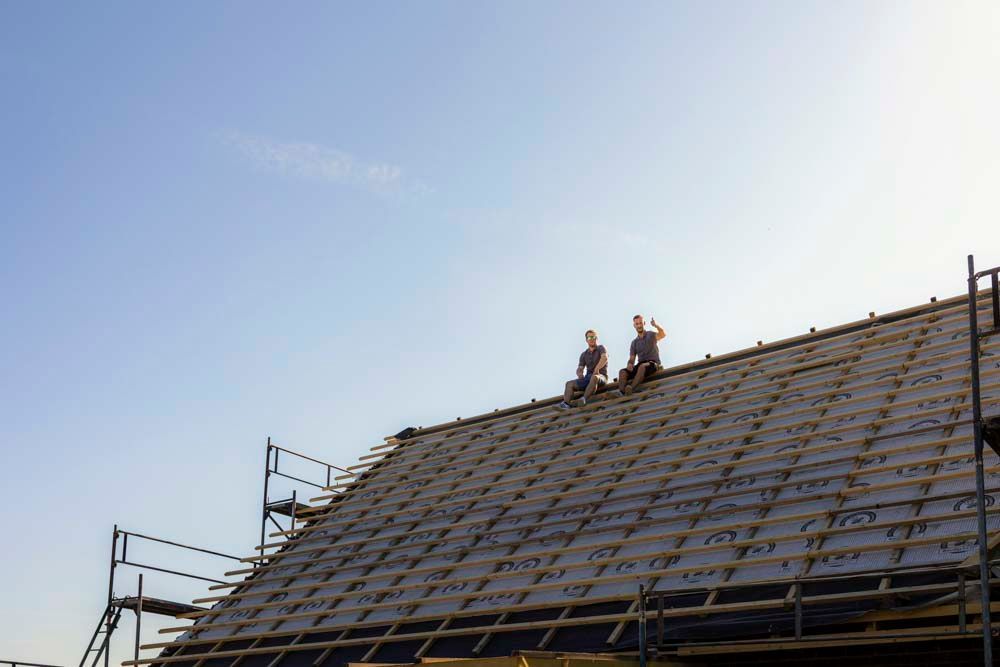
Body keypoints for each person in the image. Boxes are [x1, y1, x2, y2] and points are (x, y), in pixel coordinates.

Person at [610, 314, 666, 397]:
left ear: (644, 323)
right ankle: (621, 392)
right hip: (641, 365)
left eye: (640, 323)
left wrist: (656, 325)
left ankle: (631, 389)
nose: (639, 325)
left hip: (653, 363)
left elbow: (662, 335)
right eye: (637, 324)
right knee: (622, 372)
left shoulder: (651, 335)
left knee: (642, 366)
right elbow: (632, 359)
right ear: (634, 325)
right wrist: (630, 364)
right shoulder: (634, 342)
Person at [556, 330, 609, 410]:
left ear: (596, 338)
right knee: (569, 384)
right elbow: (580, 368)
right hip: (588, 378)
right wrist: (579, 373)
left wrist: (597, 369)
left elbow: (604, 358)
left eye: (593, 337)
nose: (591, 339)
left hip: (601, 377)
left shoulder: (601, 348)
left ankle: (583, 399)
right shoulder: (584, 354)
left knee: (595, 377)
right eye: (589, 337)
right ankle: (566, 404)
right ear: (586, 340)